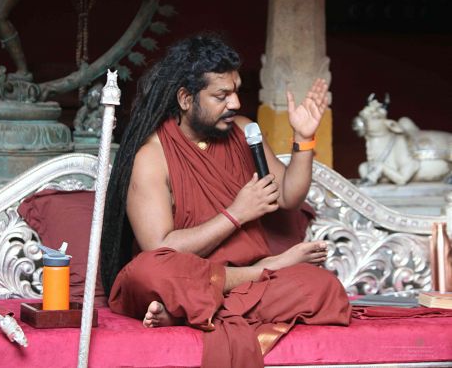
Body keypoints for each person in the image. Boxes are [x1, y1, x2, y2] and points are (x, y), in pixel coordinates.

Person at [100, 34, 351, 368]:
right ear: (186, 98)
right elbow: (160, 249)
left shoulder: (245, 132)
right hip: (186, 277)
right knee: (149, 273)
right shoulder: (152, 156)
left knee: (324, 288)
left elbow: (289, 196)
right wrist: (236, 214)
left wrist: (303, 139)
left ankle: (186, 313)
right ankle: (255, 274)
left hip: (232, 288)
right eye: (221, 95)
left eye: (236, 91)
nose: (235, 103)